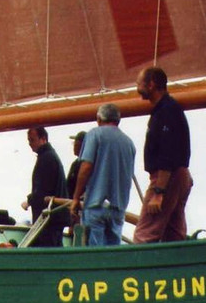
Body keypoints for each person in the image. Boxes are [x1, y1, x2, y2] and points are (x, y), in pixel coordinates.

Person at [133, 66, 192, 243]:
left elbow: (167, 152)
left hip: (167, 177)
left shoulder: (166, 111)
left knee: (145, 234)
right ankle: (177, 267)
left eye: (138, 83)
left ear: (151, 84)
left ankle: (137, 269)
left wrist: (159, 192)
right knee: (173, 233)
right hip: (180, 176)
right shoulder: (169, 109)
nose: (136, 87)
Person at [69, 104, 136, 246]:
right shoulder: (129, 143)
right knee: (112, 253)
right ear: (118, 120)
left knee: (94, 254)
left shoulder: (94, 134)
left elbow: (86, 167)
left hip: (96, 205)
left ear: (99, 119)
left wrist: (75, 198)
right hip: (118, 207)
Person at [23, 126, 67, 247]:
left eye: (32, 140)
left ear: (43, 139)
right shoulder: (50, 156)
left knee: (48, 247)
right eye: (28, 140)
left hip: (49, 220)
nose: (30, 144)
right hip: (55, 218)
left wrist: (29, 200)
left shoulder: (47, 158)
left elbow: (44, 189)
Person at [65, 130, 86, 202]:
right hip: (70, 202)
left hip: (79, 204)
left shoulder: (85, 164)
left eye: (76, 144)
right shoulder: (75, 164)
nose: (74, 146)